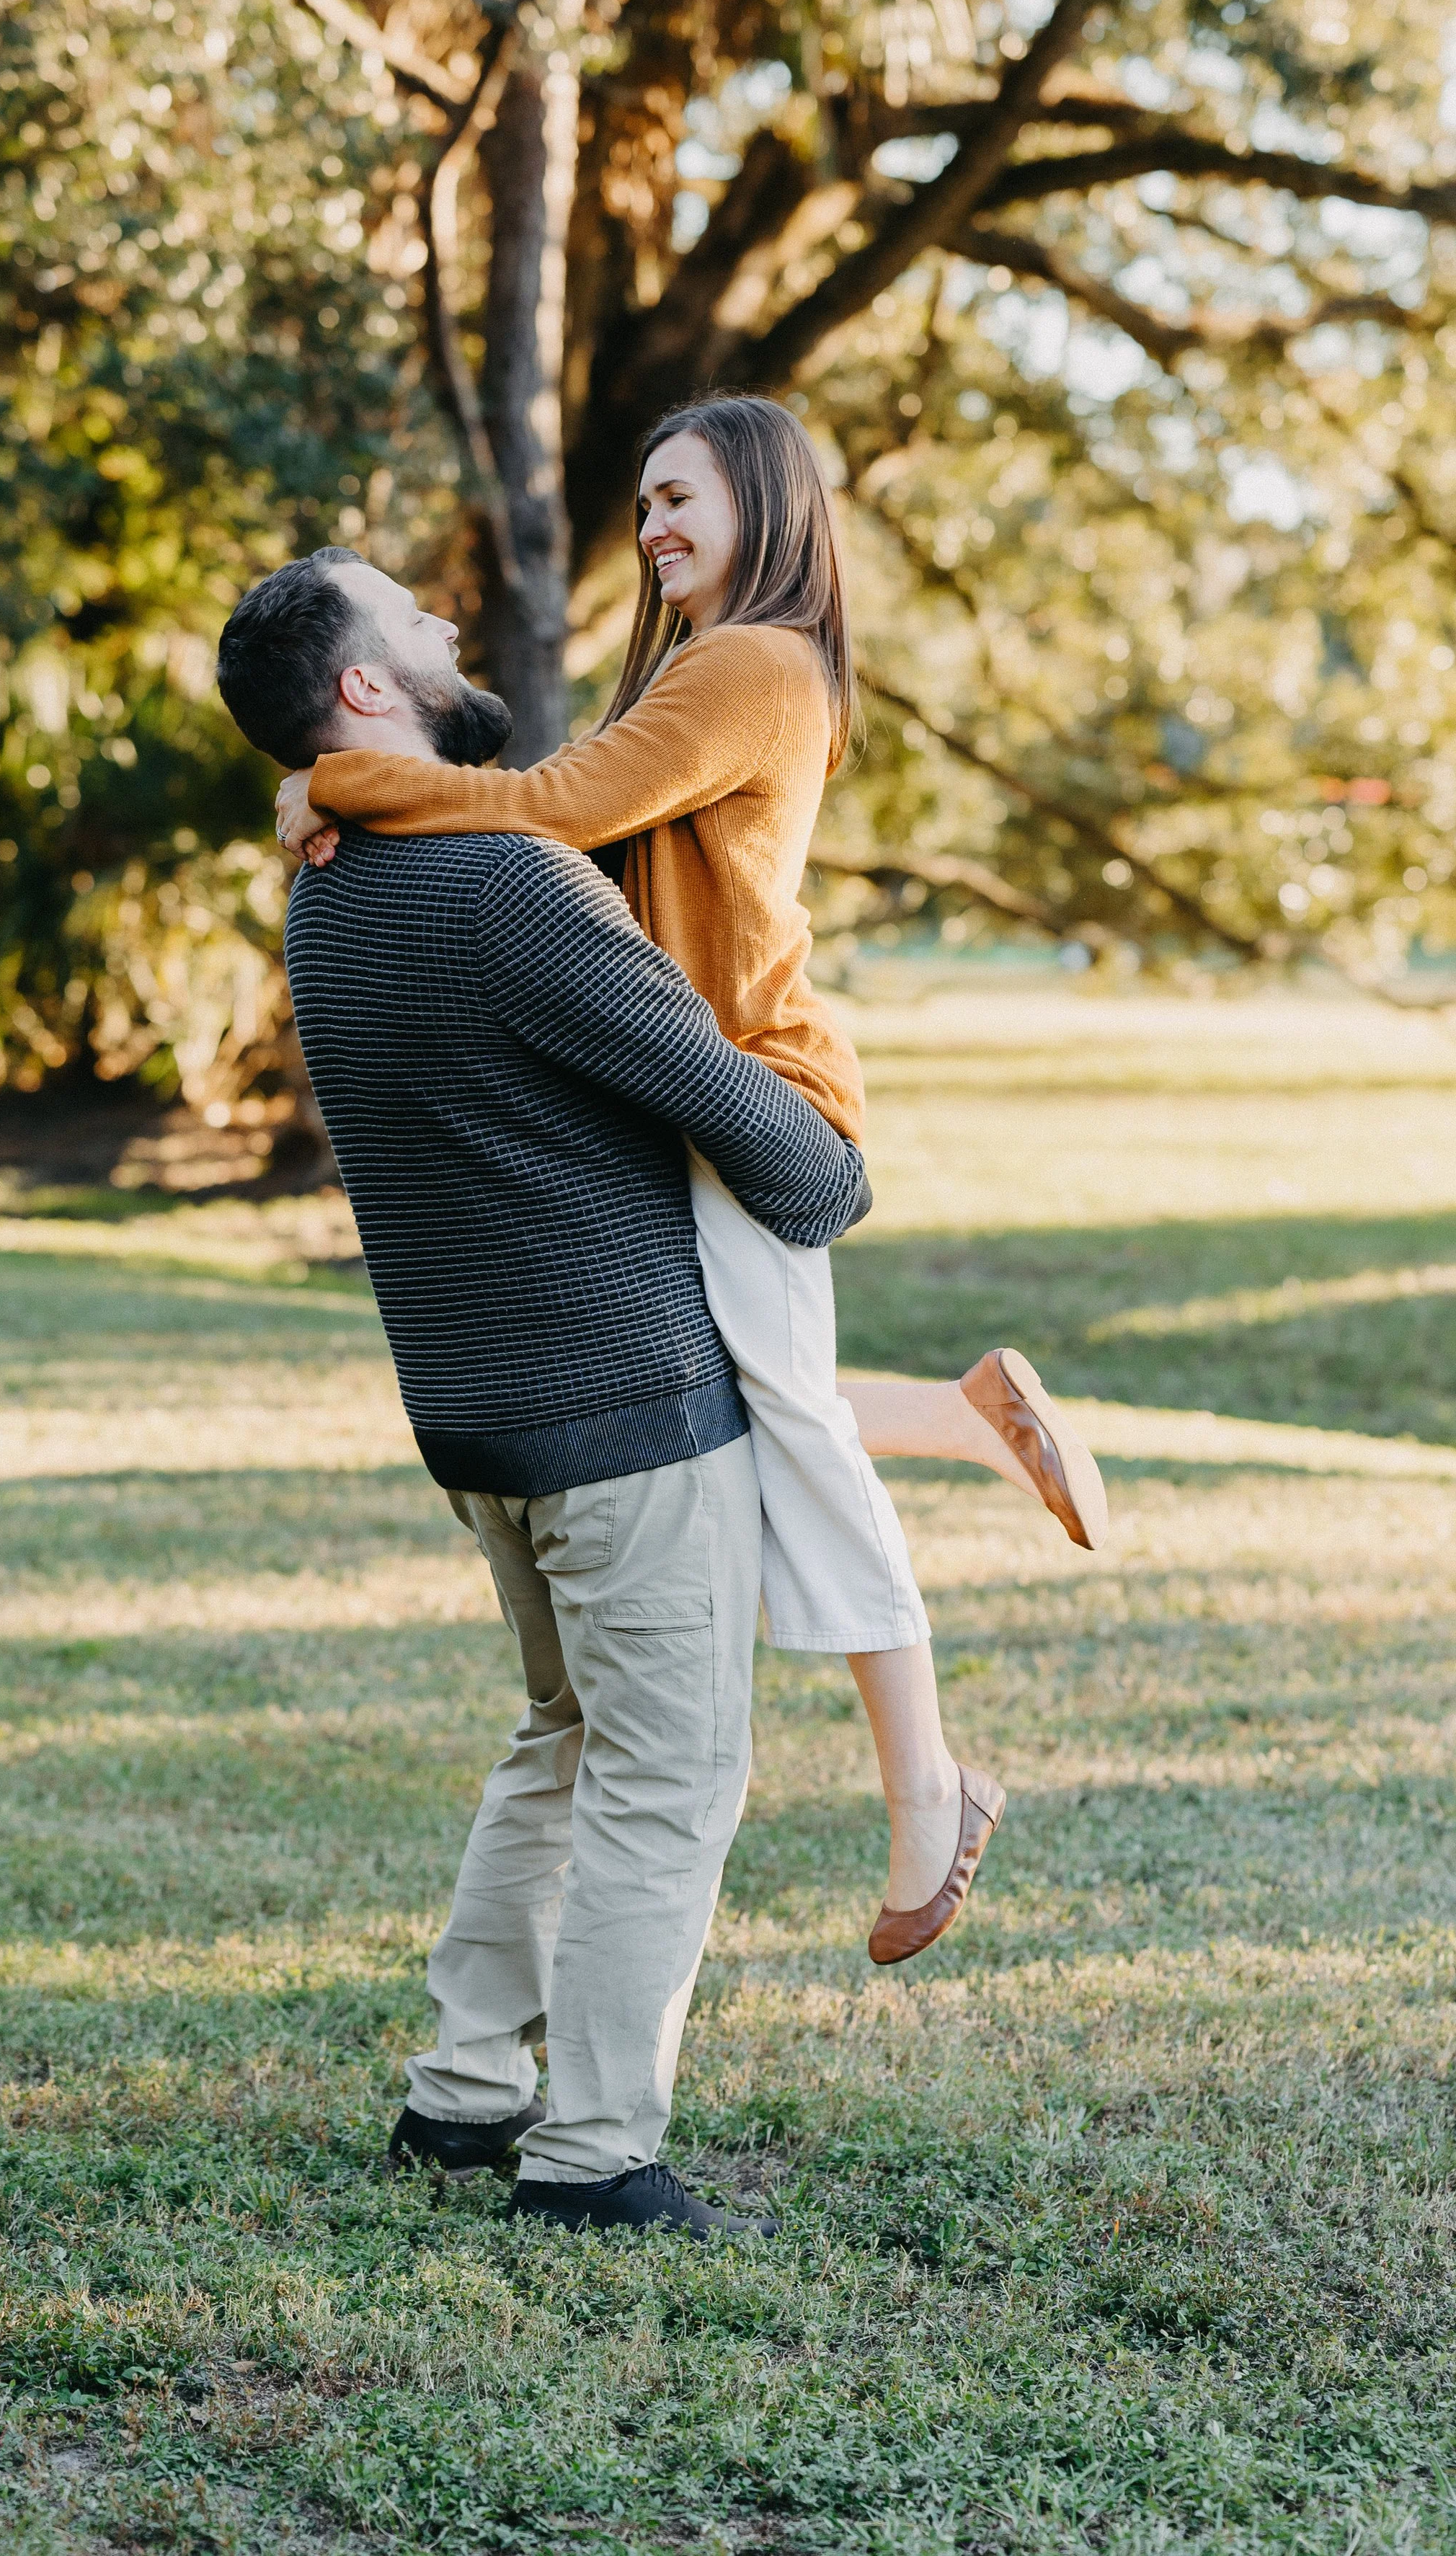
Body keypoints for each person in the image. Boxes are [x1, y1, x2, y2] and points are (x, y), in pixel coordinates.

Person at [272, 396, 1107, 1964]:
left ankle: (930, 1786)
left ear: (762, 499)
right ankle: (963, 1416)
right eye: (643, 499)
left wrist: (344, 785)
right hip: (685, 1095)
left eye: (678, 498)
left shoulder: (755, 664)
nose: (652, 526)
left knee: (781, 1426)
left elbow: (544, 816)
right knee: (735, 1403)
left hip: (755, 1091)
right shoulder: (696, 664)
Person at [216, 547, 889, 2240]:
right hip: (619, 1415)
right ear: (364, 691)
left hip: (479, 1418)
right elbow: (778, 1163)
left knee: (564, 1736)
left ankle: (461, 2094)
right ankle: (593, 2156)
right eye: (410, 618)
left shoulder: (331, 888)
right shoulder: (508, 887)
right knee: (670, 1768)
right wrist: (826, 1137)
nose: (449, 624)